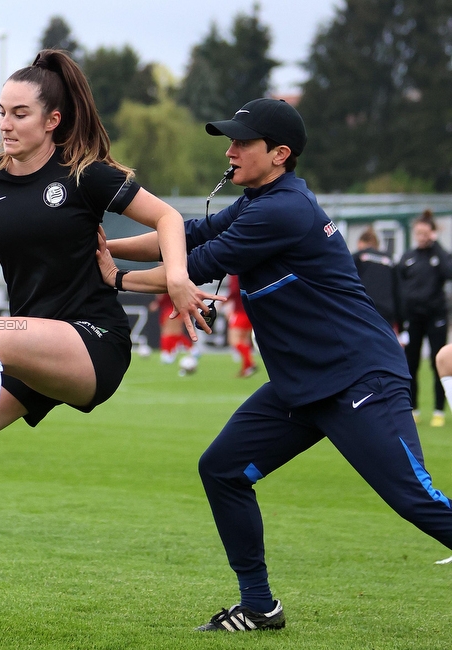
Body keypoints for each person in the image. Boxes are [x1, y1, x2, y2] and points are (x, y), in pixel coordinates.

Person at [0, 49, 216, 626]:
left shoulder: (86, 176)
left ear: (52, 121)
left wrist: (177, 278)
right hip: (24, 347)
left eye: (20, 113)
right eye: (1, 112)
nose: (6, 124)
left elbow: (170, 220)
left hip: (91, 342)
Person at [97, 98, 452, 632]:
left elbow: (192, 267)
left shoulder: (283, 209)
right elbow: (187, 233)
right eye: (230, 140)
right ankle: (260, 607)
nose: (230, 149)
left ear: (280, 154)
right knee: (222, 470)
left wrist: (112, 277)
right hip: (302, 384)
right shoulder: (262, 200)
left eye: (243, 142)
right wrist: (103, 246)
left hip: (359, 378)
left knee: (413, 499)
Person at [396, 210, 452, 427]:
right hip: (412, 319)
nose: (421, 237)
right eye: (418, 233)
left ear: (432, 233)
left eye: (425, 233)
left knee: (438, 363)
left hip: (436, 317)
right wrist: (401, 322)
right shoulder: (407, 257)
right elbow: (399, 288)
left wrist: (436, 244)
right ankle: (414, 409)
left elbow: (449, 272)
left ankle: (439, 410)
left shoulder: (439, 256)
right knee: (411, 365)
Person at [352, 227, 402, 333]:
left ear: (360, 243)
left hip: (364, 311)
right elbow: (399, 293)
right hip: (386, 314)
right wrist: (401, 325)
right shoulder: (390, 261)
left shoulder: (357, 258)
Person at [225, 275, 257, 378]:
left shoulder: (234, 273)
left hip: (240, 311)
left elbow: (234, 291)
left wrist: (225, 302)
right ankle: (246, 368)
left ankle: (250, 363)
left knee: (234, 340)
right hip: (250, 310)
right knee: (244, 340)